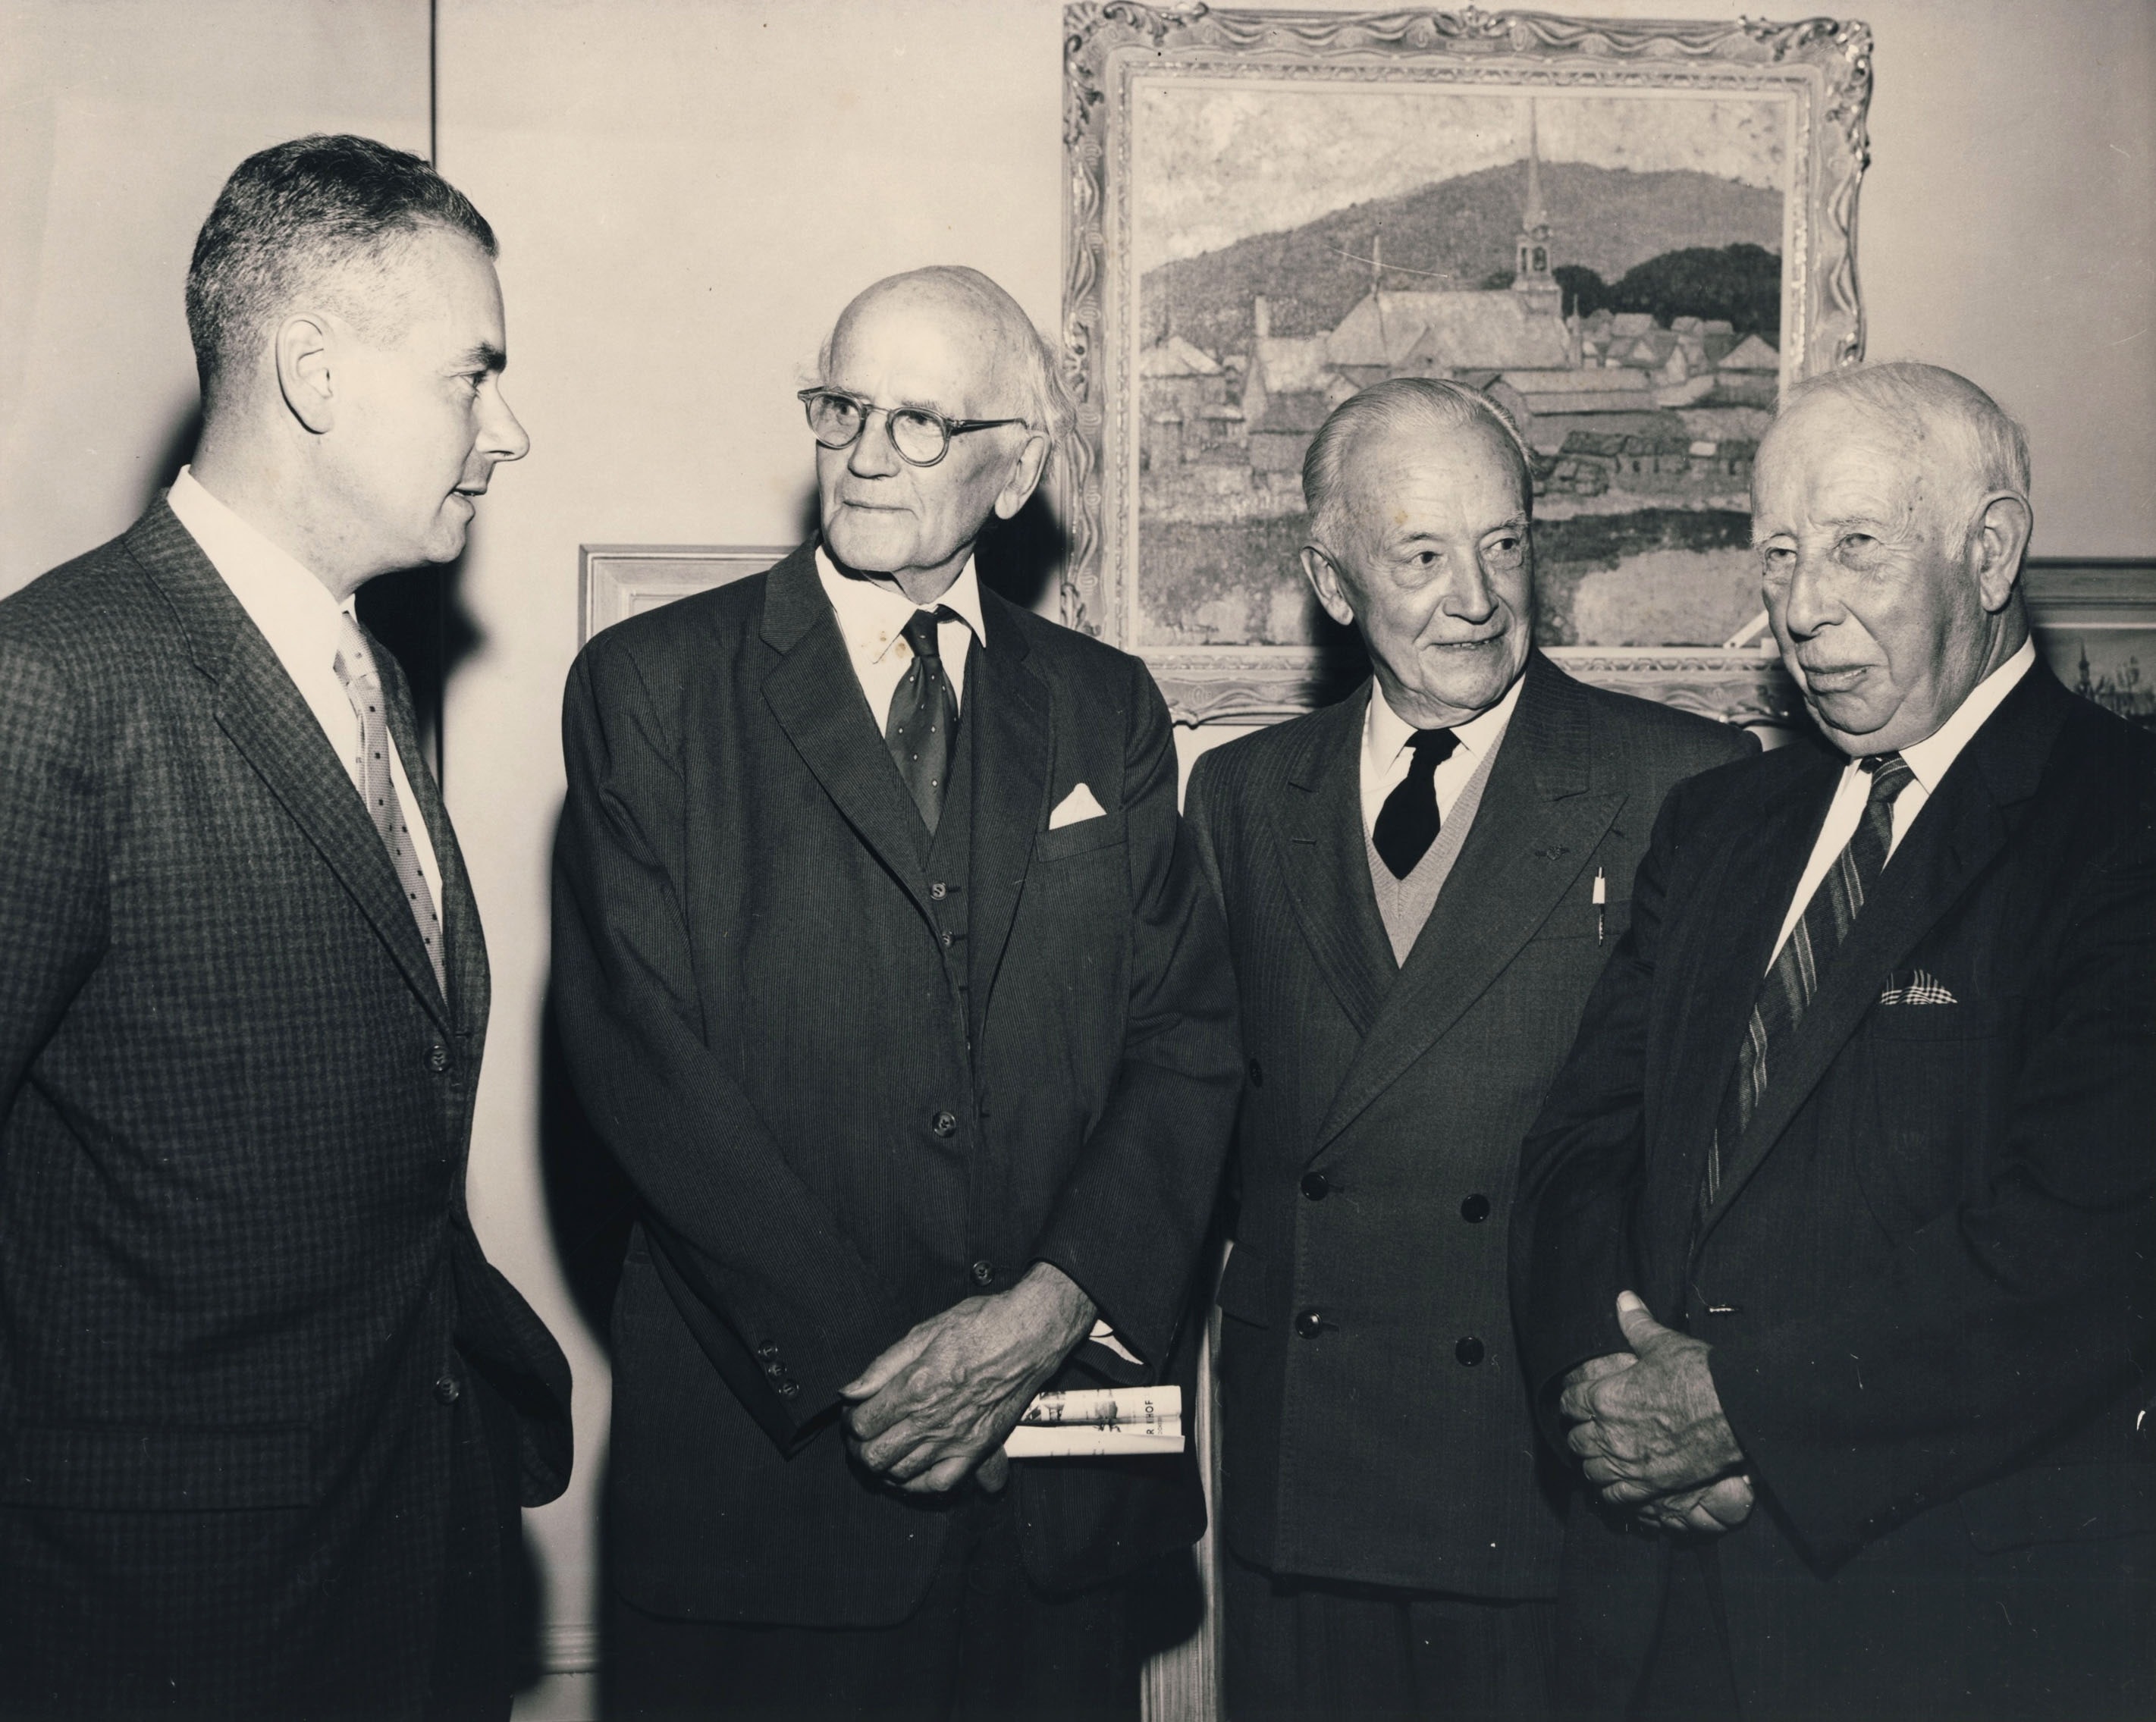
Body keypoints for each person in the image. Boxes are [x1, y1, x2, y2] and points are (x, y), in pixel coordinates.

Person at [552, 265, 1241, 1720]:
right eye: (842, 406)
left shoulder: (1104, 706)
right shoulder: (654, 689)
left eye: (921, 422)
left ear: (1019, 470)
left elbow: (1184, 1045)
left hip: (1055, 1497)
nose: (866, 452)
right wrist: (902, 1378)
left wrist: (1043, 1319)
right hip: (779, 1488)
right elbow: (640, 1065)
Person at [0, 135, 570, 1719]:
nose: (507, 430)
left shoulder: (364, 672)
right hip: (158, 1612)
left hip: (403, 1558)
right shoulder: (50, 685)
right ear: (314, 371)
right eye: (475, 374)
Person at [1511, 361, 2156, 1720]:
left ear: (1990, 552)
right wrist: (1622, 1416)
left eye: (1855, 548)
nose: (1802, 609)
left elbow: (2087, 1238)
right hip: (1654, 1603)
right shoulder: (1719, 823)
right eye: (1782, 555)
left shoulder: (2119, 827)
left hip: (1938, 1623)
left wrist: (1749, 1416)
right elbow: (1580, 1150)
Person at [1182, 378, 1750, 1720]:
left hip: (1539, 1471)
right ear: (1333, 581)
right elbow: (1184, 1113)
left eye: (1505, 545)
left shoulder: (1682, 779)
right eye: (1422, 556)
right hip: (1306, 1474)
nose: (1478, 598)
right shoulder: (1244, 794)